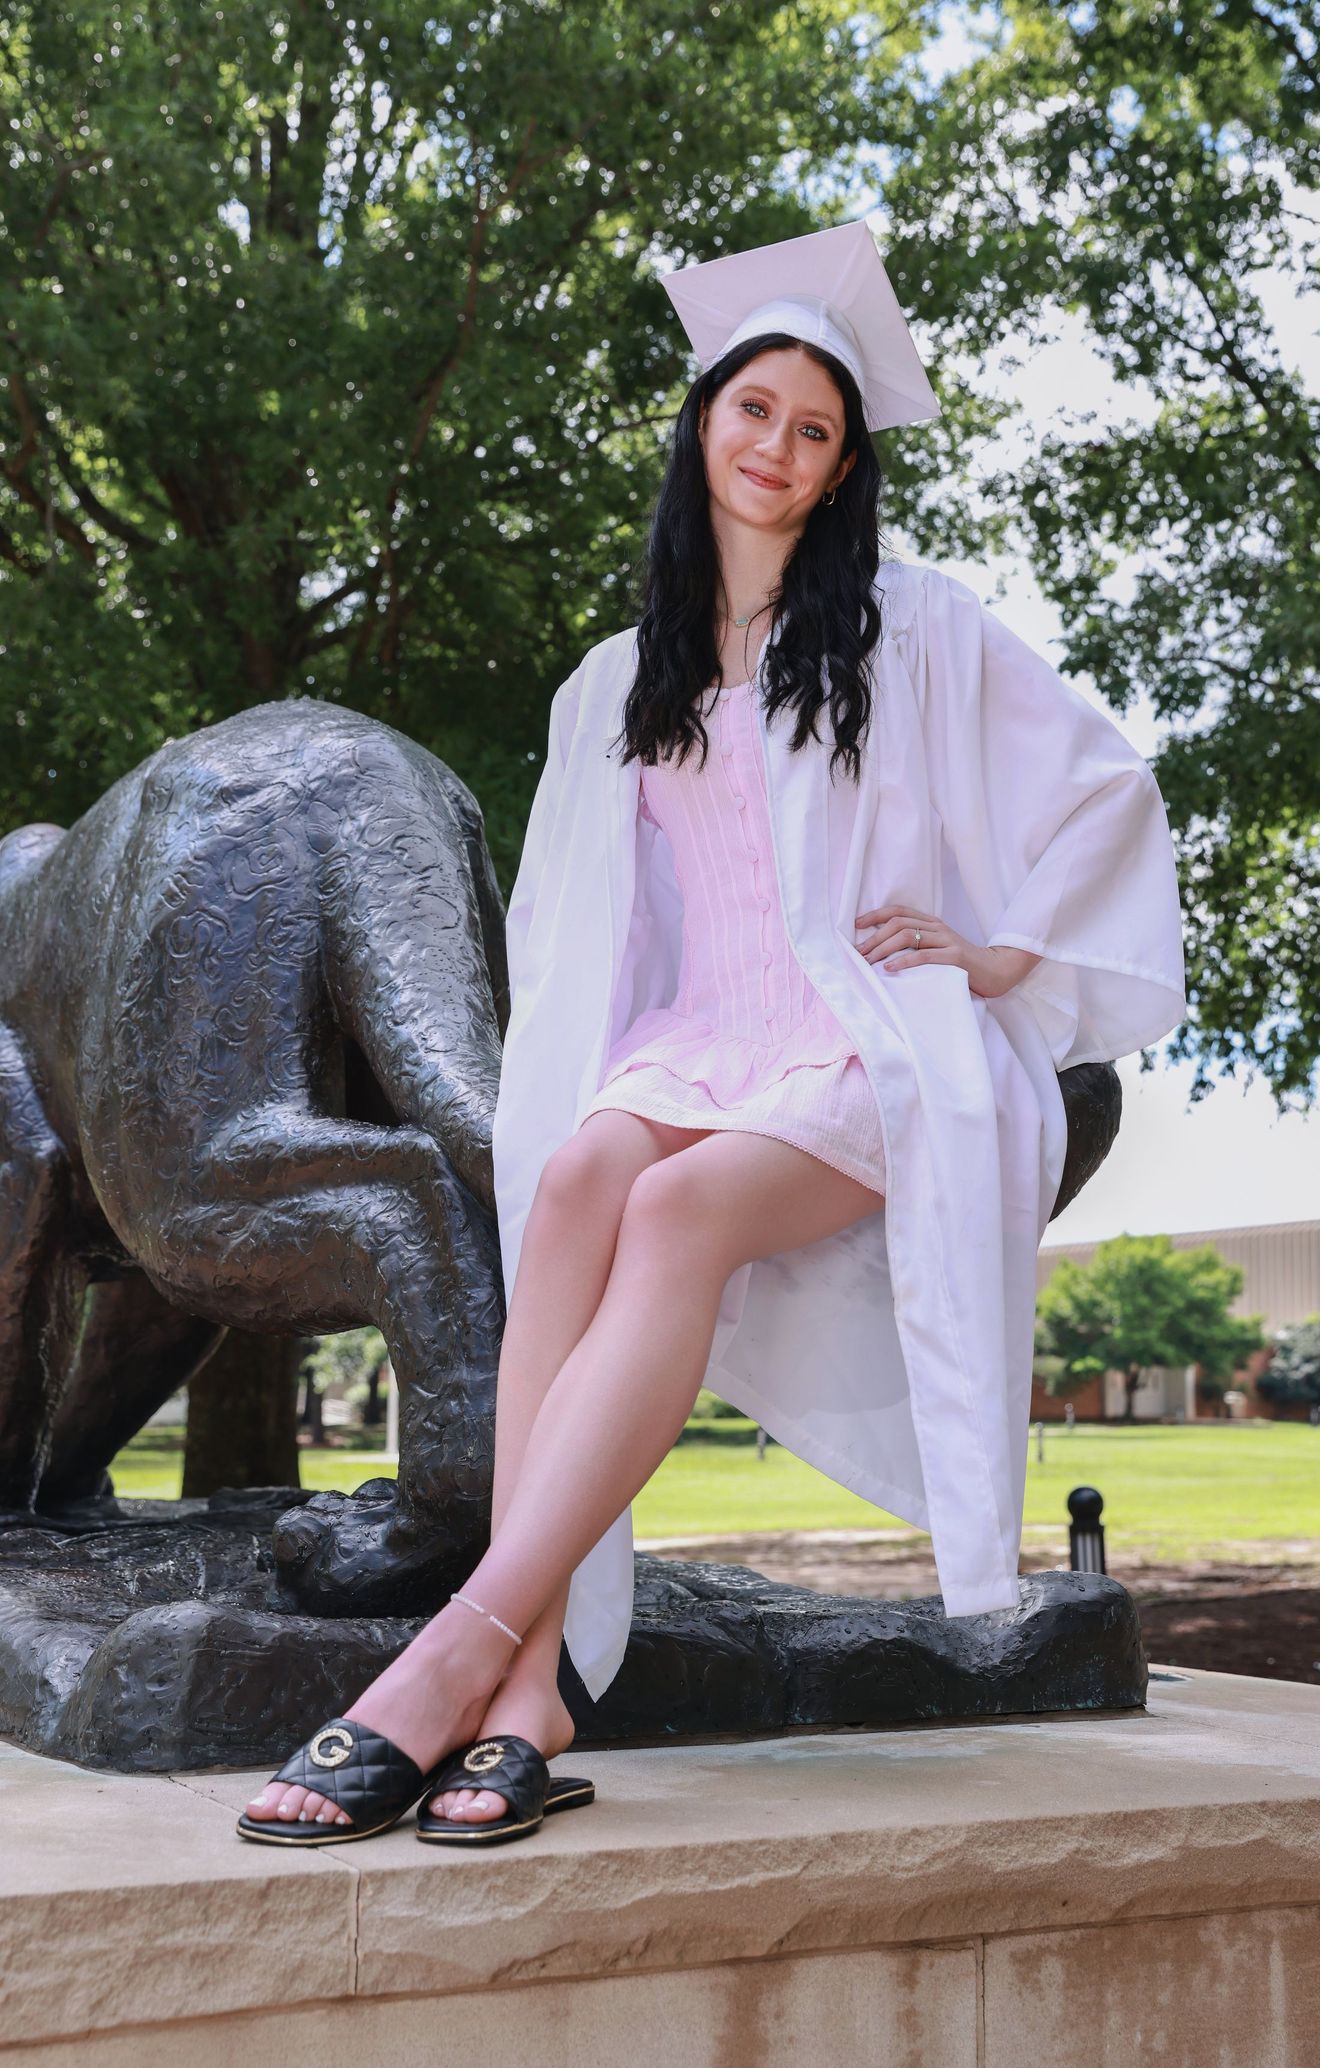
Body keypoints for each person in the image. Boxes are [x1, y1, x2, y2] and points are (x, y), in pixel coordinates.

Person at [238, 218, 1187, 1847]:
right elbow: (578, 924)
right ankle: (529, 1692)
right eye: (756, 411)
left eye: (816, 431)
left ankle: (449, 1653)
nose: (780, 448)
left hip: (864, 1042)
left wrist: (997, 952)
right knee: (576, 1185)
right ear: (703, 421)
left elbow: (1109, 783)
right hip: (697, 1039)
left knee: (671, 1209)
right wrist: (575, 1079)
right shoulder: (617, 679)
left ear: (838, 470)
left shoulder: (914, 628)